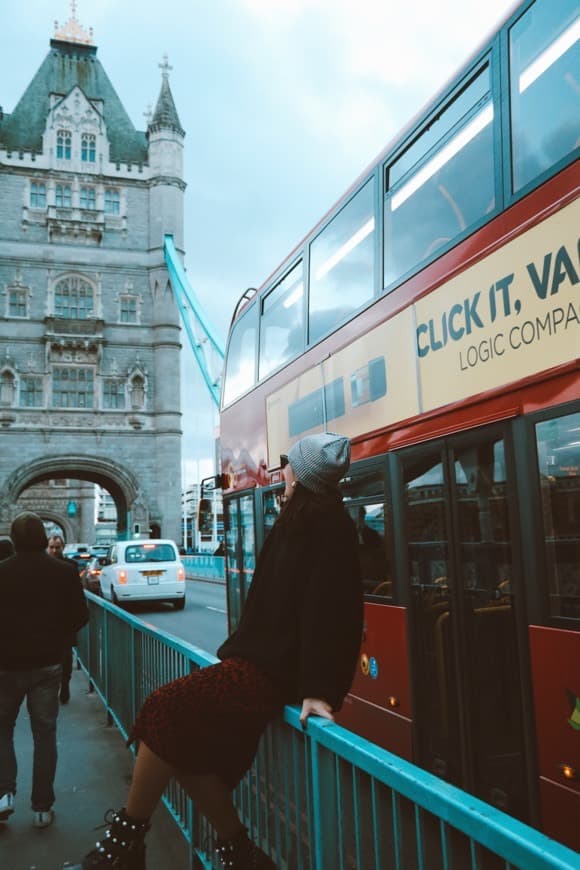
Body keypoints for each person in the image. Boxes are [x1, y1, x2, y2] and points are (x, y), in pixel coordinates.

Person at [74, 432, 363, 870]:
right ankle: (238, 853)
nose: (280, 468)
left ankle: (126, 847)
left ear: (301, 475)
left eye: (288, 463)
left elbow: (333, 613)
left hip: (271, 669)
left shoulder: (327, 527)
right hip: (256, 659)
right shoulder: (299, 520)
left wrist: (319, 688)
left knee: (164, 708)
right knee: (184, 746)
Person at [0, 513, 89, 828]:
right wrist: (58, 637)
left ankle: (3, 796)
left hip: (6, 666)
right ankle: (41, 808)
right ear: (42, 537)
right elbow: (81, 616)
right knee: (45, 734)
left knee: (2, 730)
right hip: (49, 664)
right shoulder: (64, 572)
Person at [47, 534, 76, 703]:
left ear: (63, 548)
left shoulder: (70, 566)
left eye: (57, 547)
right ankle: (51, 688)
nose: (54, 550)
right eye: (51, 547)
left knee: (66, 657)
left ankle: (65, 684)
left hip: (65, 622)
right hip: (47, 623)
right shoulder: (41, 568)